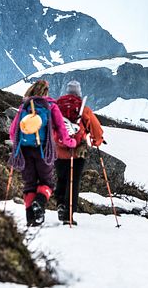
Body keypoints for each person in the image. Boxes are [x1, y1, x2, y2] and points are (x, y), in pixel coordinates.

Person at [9, 79, 77, 226]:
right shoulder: (51, 106)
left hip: (25, 151)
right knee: (47, 183)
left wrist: (20, 145)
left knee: (29, 184)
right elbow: (61, 129)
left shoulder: (24, 106)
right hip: (44, 150)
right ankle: (39, 204)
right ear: (46, 92)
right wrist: (71, 142)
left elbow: (12, 132)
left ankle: (31, 219)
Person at [54, 80, 104, 225]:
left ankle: (60, 205)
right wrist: (97, 141)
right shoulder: (84, 110)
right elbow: (96, 130)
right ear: (79, 93)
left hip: (59, 150)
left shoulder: (56, 107)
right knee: (73, 181)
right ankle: (69, 215)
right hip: (77, 152)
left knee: (62, 179)